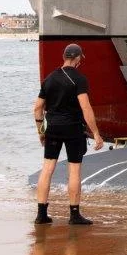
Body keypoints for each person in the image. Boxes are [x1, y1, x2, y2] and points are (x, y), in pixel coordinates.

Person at [33, 43, 104, 225]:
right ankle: (74, 215)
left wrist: (41, 131)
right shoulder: (80, 79)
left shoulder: (49, 79)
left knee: (47, 169)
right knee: (74, 170)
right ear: (78, 58)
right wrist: (96, 133)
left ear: (64, 57)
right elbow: (85, 107)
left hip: (53, 129)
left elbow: (38, 108)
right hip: (73, 129)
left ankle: (41, 215)